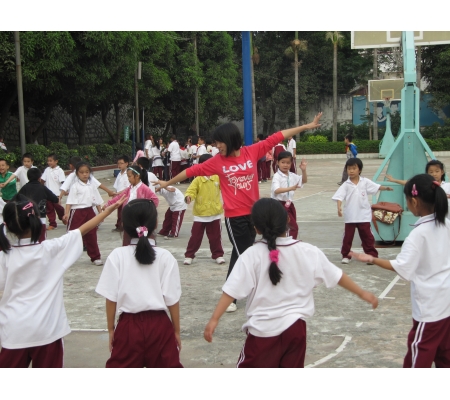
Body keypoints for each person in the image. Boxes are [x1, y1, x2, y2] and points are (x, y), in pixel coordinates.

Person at [153, 113, 323, 312]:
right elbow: (190, 172)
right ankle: (256, 294)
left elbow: (279, 136)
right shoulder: (217, 161)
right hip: (235, 218)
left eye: (219, 142)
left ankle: (232, 296)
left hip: (255, 215)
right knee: (246, 255)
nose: (217, 146)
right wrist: (167, 182)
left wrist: (306, 126)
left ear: (229, 139)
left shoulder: (251, 151)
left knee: (240, 254)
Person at [203, 198, 378, 367]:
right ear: (288, 219)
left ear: (256, 228)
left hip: (263, 332)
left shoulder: (251, 255)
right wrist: (362, 293)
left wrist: (214, 319)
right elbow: (337, 276)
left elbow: (232, 291)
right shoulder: (309, 251)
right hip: (296, 330)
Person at [0, 193, 125, 368]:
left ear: (7, 225)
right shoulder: (52, 250)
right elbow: (82, 230)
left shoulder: (5, 257)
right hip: (48, 330)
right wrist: (107, 211)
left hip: (14, 330)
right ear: (37, 221)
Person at [350, 174, 450, 368]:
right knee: (444, 351)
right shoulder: (446, 224)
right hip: (446, 300)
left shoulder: (418, 235)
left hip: (430, 306)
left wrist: (372, 259)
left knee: (419, 351)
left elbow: (402, 267)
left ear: (414, 201)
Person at [95, 199, 182, 368]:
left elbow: (111, 298)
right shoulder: (165, 257)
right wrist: (176, 331)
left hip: (128, 326)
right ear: (155, 223)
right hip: (160, 326)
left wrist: (111, 329)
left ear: (124, 225)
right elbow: (172, 299)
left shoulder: (117, 255)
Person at [332, 158, 393, 264]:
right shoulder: (346, 184)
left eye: (354, 168)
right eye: (349, 169)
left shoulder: (365, 182)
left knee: (367, 237)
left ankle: (371, 256)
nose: (351, 171)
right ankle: (346, 255)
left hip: (363, 215)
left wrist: (386, 188)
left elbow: (376, 187)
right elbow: (339, 197)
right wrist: (339, 208)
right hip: (351, 215)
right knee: (348, 237)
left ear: (359, 170)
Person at [183, 154, 225, 265]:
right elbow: (191, 191)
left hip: (215, 213)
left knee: (216, 237)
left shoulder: (217, 177)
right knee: (195, 237)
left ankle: (218, 255)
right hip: (200, 214)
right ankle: (189, 255)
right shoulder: (197, 180)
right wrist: (188, 197)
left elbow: (226, 188)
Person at [104, 165, 159, 246]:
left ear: (137, 176)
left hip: (140, 219)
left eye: (129, 176)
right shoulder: (129, 189)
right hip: (129, 218)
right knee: (127, 238)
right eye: (127, 176)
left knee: (141, 238)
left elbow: (155, 200)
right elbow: (119, 197)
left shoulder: (144, 188)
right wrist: (108, 204)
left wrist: (145, 210)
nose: (128, 179)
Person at [62, 162, 104, 266]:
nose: (84, 174)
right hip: (77, 212)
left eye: (87, 172)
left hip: (89, 211)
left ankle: (95, 257)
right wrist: (66, 213)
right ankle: (65, 257)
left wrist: (100, 213)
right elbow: (69, 202)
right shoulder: (75, 186)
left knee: (92, 234)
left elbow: (97, 200)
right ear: (77, 174)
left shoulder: (92, 185)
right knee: (72, 234)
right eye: (82, 172)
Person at [271, 151, 307, 240]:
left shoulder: (292, 175)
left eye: (288, 163)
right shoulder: (277, 176)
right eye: (283, 162)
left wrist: (303, 170)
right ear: (277, 162)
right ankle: (289, 243)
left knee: (289, 226)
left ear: (291, 163)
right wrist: (290, 188)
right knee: (292, 227)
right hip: (279, 204)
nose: (285, 165)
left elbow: (304, 180)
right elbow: (276, 190)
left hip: (289, 204)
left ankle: (286, 242)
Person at [18, 168, 60, 243]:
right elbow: (55, 199)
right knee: (41, 239)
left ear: (28, 177)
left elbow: (16, 199)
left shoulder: (24, 188)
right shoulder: (42, 188)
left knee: (29, 238)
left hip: (28, 217)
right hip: (41, 217)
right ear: (39, 177)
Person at [41, 153, 66, 231]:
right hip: (48, 194)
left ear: (56, 161)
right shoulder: (47, 170)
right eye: (48, 161)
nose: (49, 162)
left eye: (51, 161)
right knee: (49, 209)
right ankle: (52, 224)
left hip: (57, 194)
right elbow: (42, 180)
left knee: (59, 208)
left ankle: (63, 217)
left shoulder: (60, 170)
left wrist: (65, 190)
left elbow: (63, 181)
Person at [111, 155, 130, 233]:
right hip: (119, 196)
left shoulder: (128, 174)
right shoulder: (119, 174)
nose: (119, 165)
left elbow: (128, 187)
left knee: (124, 212)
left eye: (121, 163)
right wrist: (115, 195)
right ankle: (119, 225)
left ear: (126, 163)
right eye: (118, 163)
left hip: (125, 196)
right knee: (119, 212)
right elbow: (117, 186)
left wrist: (118, 193)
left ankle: (123, 226)